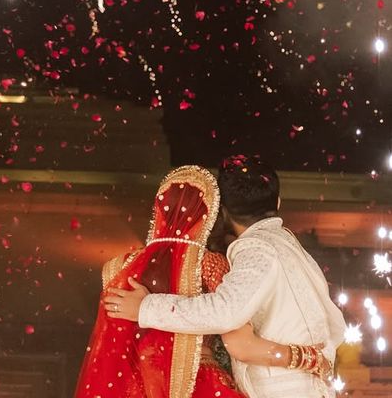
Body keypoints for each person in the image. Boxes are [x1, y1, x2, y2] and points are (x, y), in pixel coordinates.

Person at [75, 165, 325, 398]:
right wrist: (306, 357)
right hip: (201, 383)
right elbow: (240, 343)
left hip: (139, 383)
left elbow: (110, 347)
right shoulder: (211, 264)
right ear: (209, 214)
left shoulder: (119, 268)